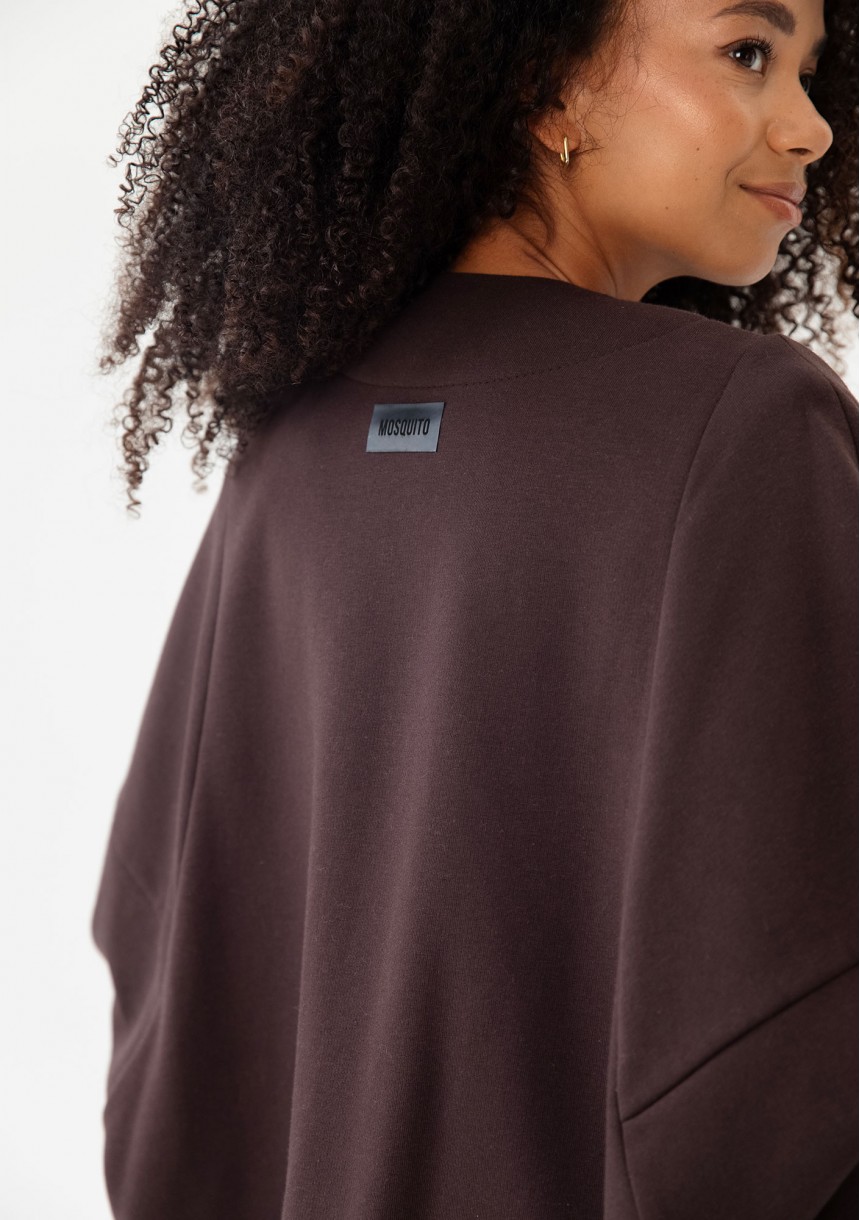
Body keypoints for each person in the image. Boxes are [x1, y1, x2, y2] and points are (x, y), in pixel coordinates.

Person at [90, 0, 858, 1216]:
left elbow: (159, 940)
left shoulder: (289, 442)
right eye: (747, 53)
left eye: (809, 71)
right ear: (546, 83)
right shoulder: (747, 423)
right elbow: (792, 1010)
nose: (810, 125)